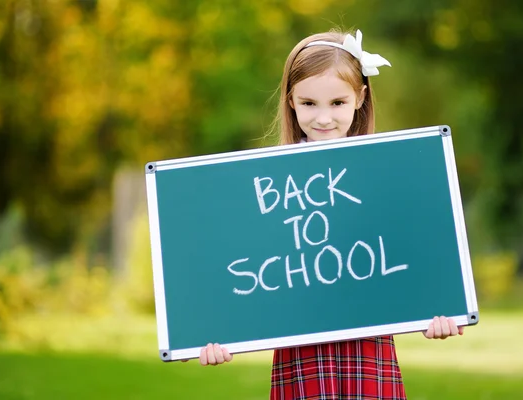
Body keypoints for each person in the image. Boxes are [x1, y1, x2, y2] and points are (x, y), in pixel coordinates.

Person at [195, 29, 465, 399]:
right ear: (291, 101)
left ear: (360, 97)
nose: (323, 118)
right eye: (309, 103)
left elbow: (410, 250)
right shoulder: (268, 184)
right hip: (301, 359)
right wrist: (216, 331)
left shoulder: (384, 173)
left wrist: (438, 309)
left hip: (369, 352)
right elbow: (248, 268)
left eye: (337, 103)